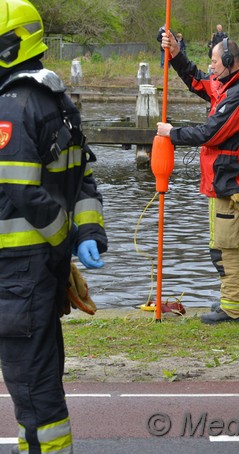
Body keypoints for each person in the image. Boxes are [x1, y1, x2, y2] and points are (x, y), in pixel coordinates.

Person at [0, 0, 108, 452]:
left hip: (18, 271)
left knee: (32, 391)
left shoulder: (12, 103)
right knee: (42, 380)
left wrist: (64, 241)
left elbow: (20, 188)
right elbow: (81, 178)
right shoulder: (56, 99)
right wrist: (87, 234)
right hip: (40, 269)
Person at [157, 31, 239, 324]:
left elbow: (210, 132)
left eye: (215, 61)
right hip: (224, 179)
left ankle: (235, 307)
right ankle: (236, 299)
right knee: (228, 245)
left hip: (231, 181)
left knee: (225, 246)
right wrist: (176, 54)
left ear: (229, 61)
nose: (211, 66)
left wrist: (171, 134)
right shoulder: (229, 85)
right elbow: (197, 80)